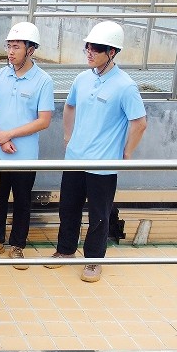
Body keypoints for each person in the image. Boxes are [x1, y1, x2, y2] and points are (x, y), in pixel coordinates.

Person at [49, 21, 147, 283]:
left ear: (112, 52)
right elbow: (69, 106)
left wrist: (126, 153)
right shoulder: (82, 79)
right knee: (68, 208)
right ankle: (65, 250)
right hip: (75, 159)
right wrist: (68, 137)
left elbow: (139, 123)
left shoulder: (125, 86)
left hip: (103, 164)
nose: (89, 52)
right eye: (87, 47)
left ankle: (93, 259)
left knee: (99, 216)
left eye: (96, 48)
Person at [0, 22, 54, 270]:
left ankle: (17, 245)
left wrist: (8, 134)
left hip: (24, 156)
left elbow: (44, 120)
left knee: (22, 201)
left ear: (31, 49)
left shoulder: (43, 80)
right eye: (9, 46)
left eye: (16, 47)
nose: (10, 52)